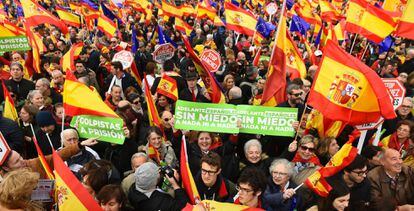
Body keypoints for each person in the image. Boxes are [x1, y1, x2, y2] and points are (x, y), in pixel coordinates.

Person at [0, 137, 98, 178]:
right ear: (6, 168)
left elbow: (57, 156)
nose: (22, 161)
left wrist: (80, 145)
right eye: (17, 161)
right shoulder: (4, 187)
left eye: (20, 157)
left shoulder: (33, 164)